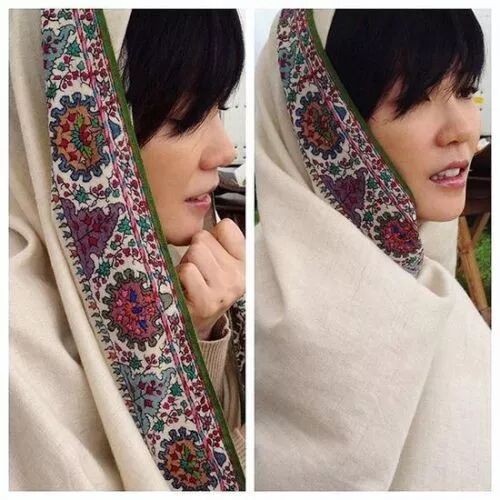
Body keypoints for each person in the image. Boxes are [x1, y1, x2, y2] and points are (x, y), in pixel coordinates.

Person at [10, 8, 245, 490]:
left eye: (219, 108)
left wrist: (196, 330)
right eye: (185, 115)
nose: (225, 152)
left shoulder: (178, 262)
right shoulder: (17, 344)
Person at [255, 9, 490, 491]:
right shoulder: (245, 305)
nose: (461, 130)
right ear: (324, 123)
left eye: (466, 91)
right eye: (415, 99)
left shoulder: (430, 286)